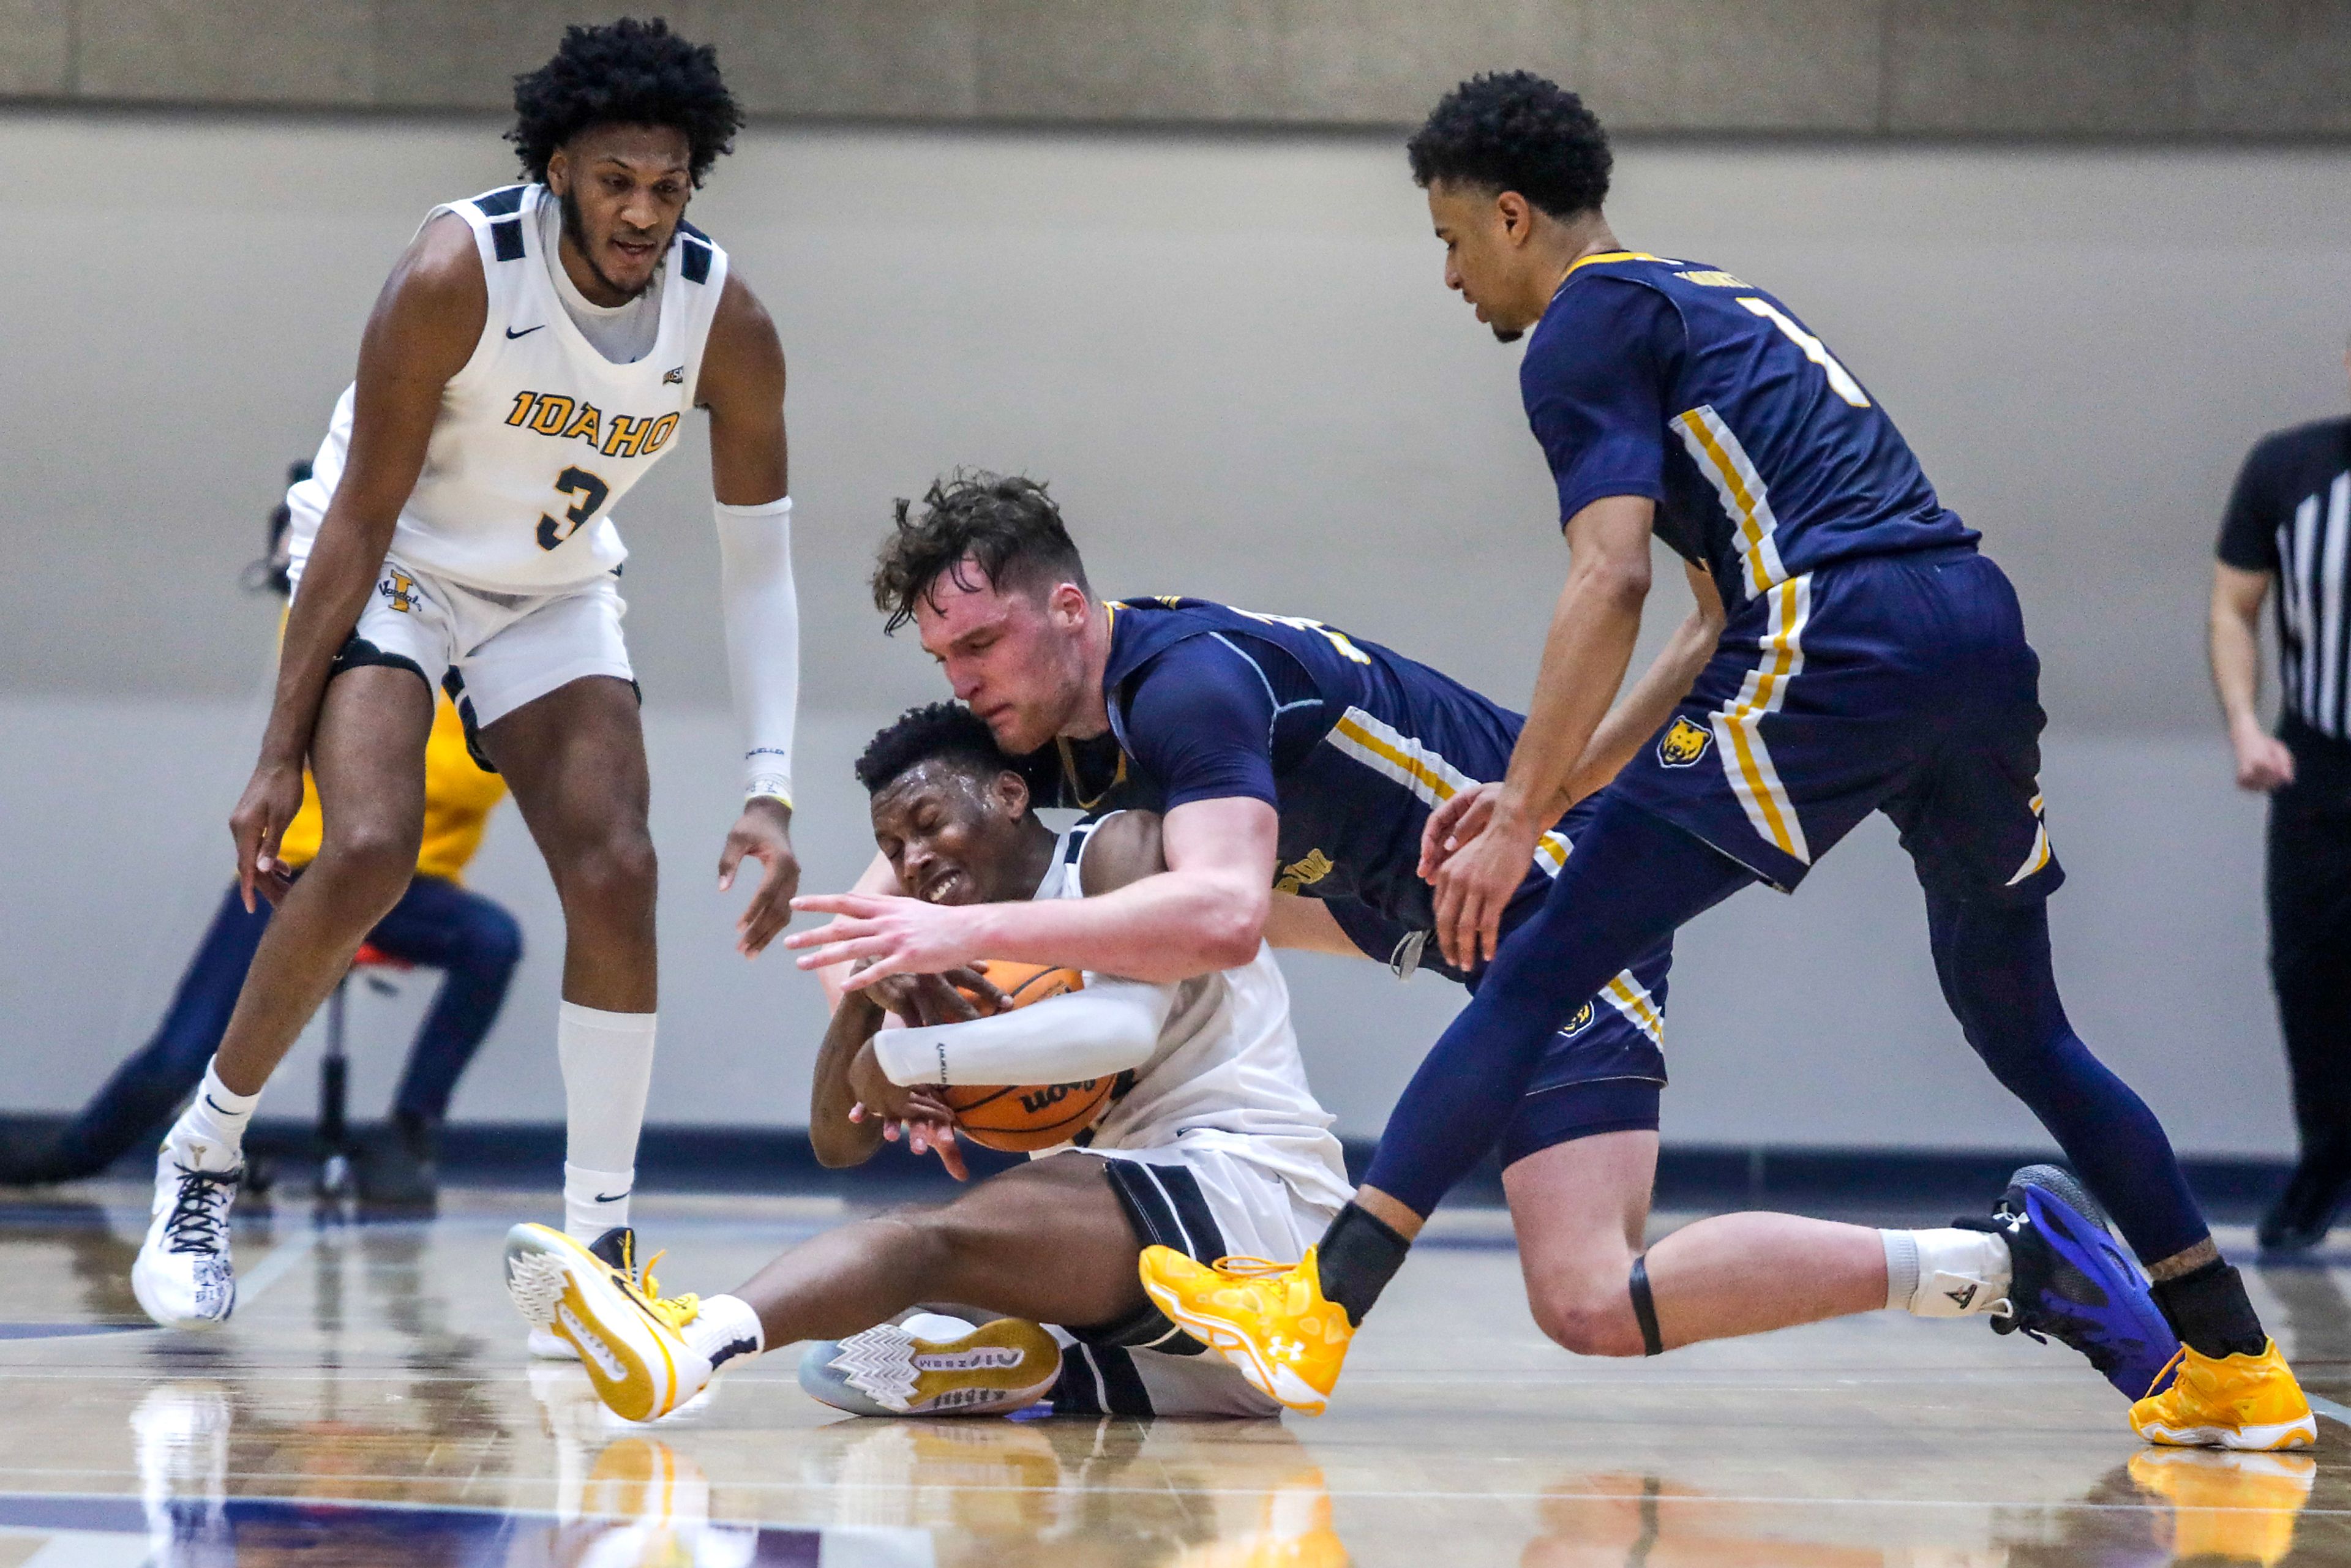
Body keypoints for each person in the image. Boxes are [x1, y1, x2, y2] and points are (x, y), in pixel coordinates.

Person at [1117, 72, 2310, 1449]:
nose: (1448, 275)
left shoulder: (1580, 326)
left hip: (1842, 628)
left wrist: (1514, 831)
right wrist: (1544, 792)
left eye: (1450, 239)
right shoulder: (1712, 300)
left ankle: (1316, 1308)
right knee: (2021, 1022)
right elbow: (1701, 621)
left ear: (1513, 216)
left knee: (1535, 954)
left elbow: (1608, 578)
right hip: (1971, 625)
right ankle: (2231, 1359)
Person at [784, 478, 2183, 1415]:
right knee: (1588, 1285)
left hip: (1574, 913)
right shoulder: (1072, 718)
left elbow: (1214, 916)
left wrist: (956, 935)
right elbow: (951, 826)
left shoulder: (1187, 686)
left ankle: (2001, 1260)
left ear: (1067, 611)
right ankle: (2013, 1258)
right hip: (1479, 939)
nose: (961, 682)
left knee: (1583, 1291)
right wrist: (871, 957)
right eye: (941, 659)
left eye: (975, 644)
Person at [130, 18, 804, 1335]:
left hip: (549, 584)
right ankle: (202, 1151)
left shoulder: (727, 317)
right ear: (558, 167)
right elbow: (360, 515)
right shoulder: (458, 268)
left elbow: (759, 567)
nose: (642, 212)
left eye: (668, 186)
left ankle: (598, 1244)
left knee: (620, 864)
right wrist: (275, 753)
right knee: (372, 842)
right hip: (398, 562)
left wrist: (772, 785)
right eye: (616, 180)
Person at [502, 703, 1352, 1422]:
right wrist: (875, 996)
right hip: (1200, 1358)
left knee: (921, 1243)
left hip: (1258, 1212)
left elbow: (1124, 1028)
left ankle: (687, 1344)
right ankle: (1040, 1368)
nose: (913, 861)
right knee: (862, 1331)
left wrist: (912, 1054)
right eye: (893, 845)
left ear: (1011, 794)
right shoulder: (936, 953)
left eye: (928, 824)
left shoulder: (1118, 849)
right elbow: (839, 1143)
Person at [0, 480, 519, 1209]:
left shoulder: (488, 661)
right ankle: (72, 1153)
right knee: (182, 1051)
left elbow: (468, 784)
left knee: (493, 940)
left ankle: (406, 1131)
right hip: (295, 872)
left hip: (405, 889)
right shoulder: (349, 626)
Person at [2211, 364, 2351, 1254]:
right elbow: (2234, 605)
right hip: (2321, 760)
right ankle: (2325, 1163)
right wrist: (2244, 728)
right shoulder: (2290, 468)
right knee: (2310, 974)